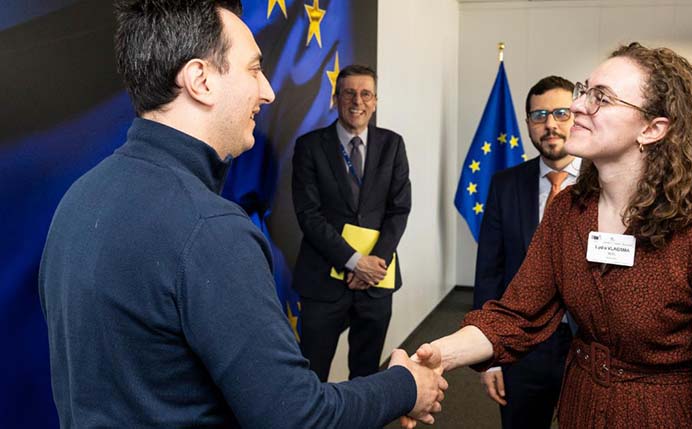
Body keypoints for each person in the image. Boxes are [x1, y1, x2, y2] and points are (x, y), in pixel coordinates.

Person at [38, 1, 446, 428]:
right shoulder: (211, 230)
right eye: (254, 69)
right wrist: (407, 386)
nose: (268, 91)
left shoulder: (78, 199)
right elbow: (298, 418)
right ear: (201, 80)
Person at [404, 42, 692, 429]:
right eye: (584, 90)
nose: (576, 106)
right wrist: (434, 356)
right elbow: (517, 316)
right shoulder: (568, 212)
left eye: (601, 98)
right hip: (580, 408)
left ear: (653, 129)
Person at [292, 65, 411, 382]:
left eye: (366, 94)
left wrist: (374, 263)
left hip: (376, 282)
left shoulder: (393, 145)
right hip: (323, 280)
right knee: (312, 374)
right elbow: (308, 214)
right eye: (349, 93)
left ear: (375, 101)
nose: (358, 101)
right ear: (335, 99)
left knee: (366, 373)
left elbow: (399, 210)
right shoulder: (309, 146)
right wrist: (355, 262)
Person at [474, 76, 578, 429]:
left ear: (577, 117)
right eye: (539, 115)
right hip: (523, 345)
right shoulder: (505, 184)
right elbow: (489, 272)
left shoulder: (606, 182)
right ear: (528, 123)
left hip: (589, 346)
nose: (550, 124)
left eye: (561, 113)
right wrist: (490, 355)